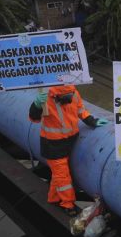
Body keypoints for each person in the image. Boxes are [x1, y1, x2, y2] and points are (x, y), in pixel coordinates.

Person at [29, 85, 108, 216]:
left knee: (58, 174)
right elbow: (34, 118)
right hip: (53, 144)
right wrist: (36, 105)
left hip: (69, 141)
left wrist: (93, 121)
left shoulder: (73, 92)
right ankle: (67, 203)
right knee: (62, 175)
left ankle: (53, 198)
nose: (67, 100)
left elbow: (81, 110)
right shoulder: (46, 98)